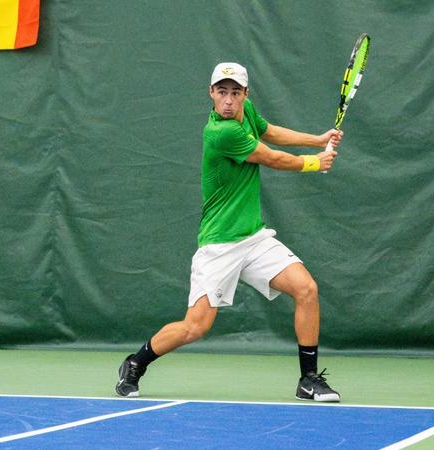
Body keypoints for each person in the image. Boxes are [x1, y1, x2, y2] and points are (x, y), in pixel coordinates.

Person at [115, 62, 343, 402]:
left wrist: (317, 139)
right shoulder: (221, 133)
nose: (228, 100)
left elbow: (270, 132)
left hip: (253, 238)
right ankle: (136, 363)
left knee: (306, 289)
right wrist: (314, 161)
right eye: (221, 92)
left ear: (245, 95)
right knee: (196, 327)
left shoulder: (246, 112)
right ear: (211, 93)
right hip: (220, 246)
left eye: (235, 93)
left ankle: (308, 379)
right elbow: (271, 157)